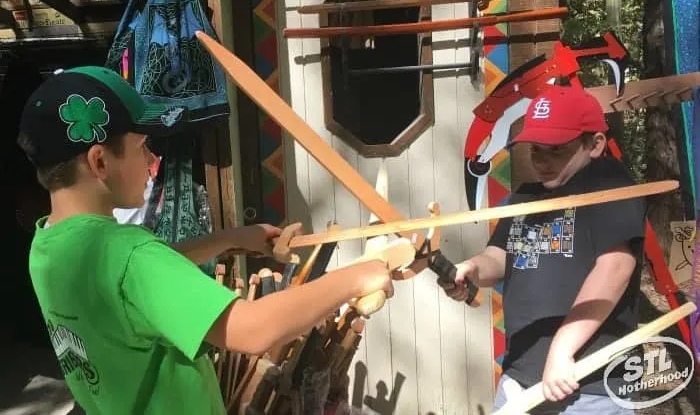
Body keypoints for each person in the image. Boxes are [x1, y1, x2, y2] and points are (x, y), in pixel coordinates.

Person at [16, 66, 394, 415]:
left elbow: (135, 282)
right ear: (99, 162)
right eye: (142, 147)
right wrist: (356, 277)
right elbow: (251, 329)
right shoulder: (129, 254)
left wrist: (232, 239)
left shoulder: (48, 243)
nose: (153, 161)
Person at [442, 84, 647, 414]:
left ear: (594, 145)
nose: (543, 161)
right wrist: (473, 269)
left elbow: (615, 267)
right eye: (536, 149)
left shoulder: (609, 183)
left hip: (586, 382)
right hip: (521, 374)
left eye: (557, 150)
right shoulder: (526, 196)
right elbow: (501, 257)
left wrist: (562, 350)